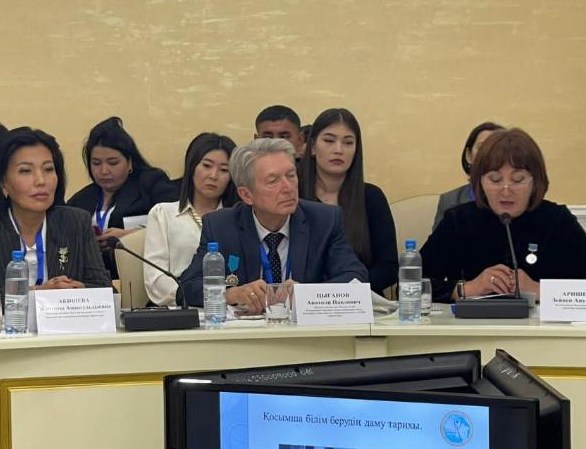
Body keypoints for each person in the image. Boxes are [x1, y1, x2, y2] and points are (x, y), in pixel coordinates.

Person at [420, 128, 586, 303]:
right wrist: (468, 289)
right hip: (472, 328)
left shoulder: (557, 220)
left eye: (518, 179)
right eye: (495, 179)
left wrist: (538, 290)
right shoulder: (459, 220)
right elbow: (410, 284)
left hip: (542, 330)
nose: (506, 191)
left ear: (535, 182)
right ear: (479, 182)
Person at [180, 138, 368, 312]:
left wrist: (306, 294)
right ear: (247, 195)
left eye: (291, 176)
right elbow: (187, 288)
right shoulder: (221, 226)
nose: (288, 188)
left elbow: (355, 276)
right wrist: (233, 294)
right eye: (273, 181)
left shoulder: (324, 221)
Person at [0, 127, 111, 313]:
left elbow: (105, 290)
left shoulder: (76, 222)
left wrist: (75, 292)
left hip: (65, 328)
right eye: (25, 171)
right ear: (3, 183)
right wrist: (36, 294)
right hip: (6, 330)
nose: (41, 180)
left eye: (48, 169)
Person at [298, 108, 398, 294]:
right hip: (301, 301)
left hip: (360, 300)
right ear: (312, 147)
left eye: (348, 142)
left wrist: (347, 292)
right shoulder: (294, 195)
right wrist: (317, 294)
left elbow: (388, 267)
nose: (338, 150)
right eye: (329, 141)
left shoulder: (371, 197)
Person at [67, 117, 177, 277]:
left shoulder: (152, 184)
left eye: (113, 163)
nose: (104, 171)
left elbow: (176, 226)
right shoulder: (81, 200)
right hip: (93, 279)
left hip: (141, 276)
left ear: (130, 162)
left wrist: (130, 237)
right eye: (96, 163)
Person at [142, 133, 237, 306]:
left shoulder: (237, 218)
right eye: (206, 166)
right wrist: (190, 295)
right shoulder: (162, 214)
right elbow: (155, 278)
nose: (213, 175)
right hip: (177, 306)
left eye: (224, 170)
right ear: (191, 166)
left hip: (227, 307)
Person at [432, 121, 504, 230]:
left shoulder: (517, 197)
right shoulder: (449, 200)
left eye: (496, 148)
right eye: (482, 147)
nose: (488, 153)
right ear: (469, 155)